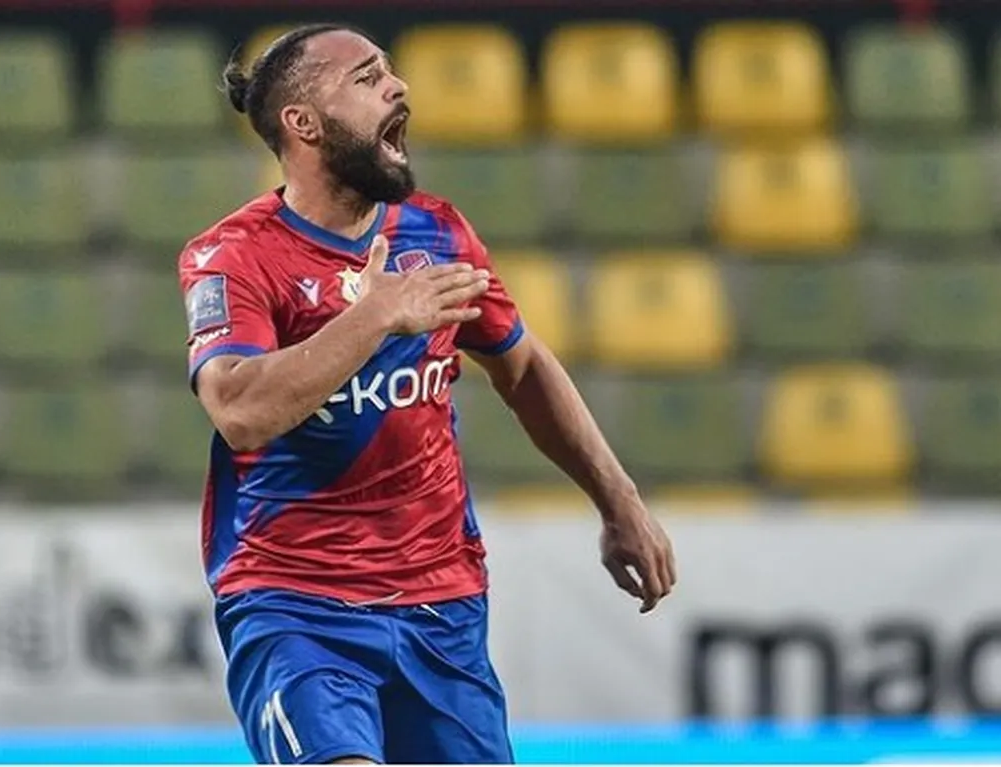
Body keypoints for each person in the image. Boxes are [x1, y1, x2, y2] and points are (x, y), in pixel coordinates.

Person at [177, 23, 677, 765]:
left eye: (389, 71)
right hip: (296, 603)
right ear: (303, 123)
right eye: (367, 77)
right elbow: (240, 411)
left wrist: (618, 500)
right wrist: (375, 315)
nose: (398, 86)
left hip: (442, 604)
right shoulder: (233, 257)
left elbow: (523, 367)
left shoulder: (437, 232)